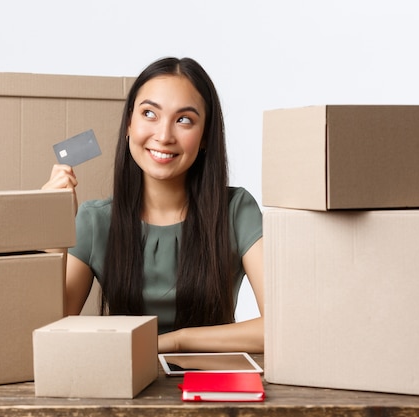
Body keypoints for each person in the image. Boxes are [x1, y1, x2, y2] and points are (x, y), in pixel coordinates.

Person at [43, 57, 264, 353]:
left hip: (211, 385)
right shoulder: (95, 221)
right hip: (120, 382)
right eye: (149, 113)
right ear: (129, 125)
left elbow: (284, 325)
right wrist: (50, 229)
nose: (163, 136)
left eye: (184, 119)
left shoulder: (236, 211)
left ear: (205, 137)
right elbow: (47, 330)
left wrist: (173, 341)